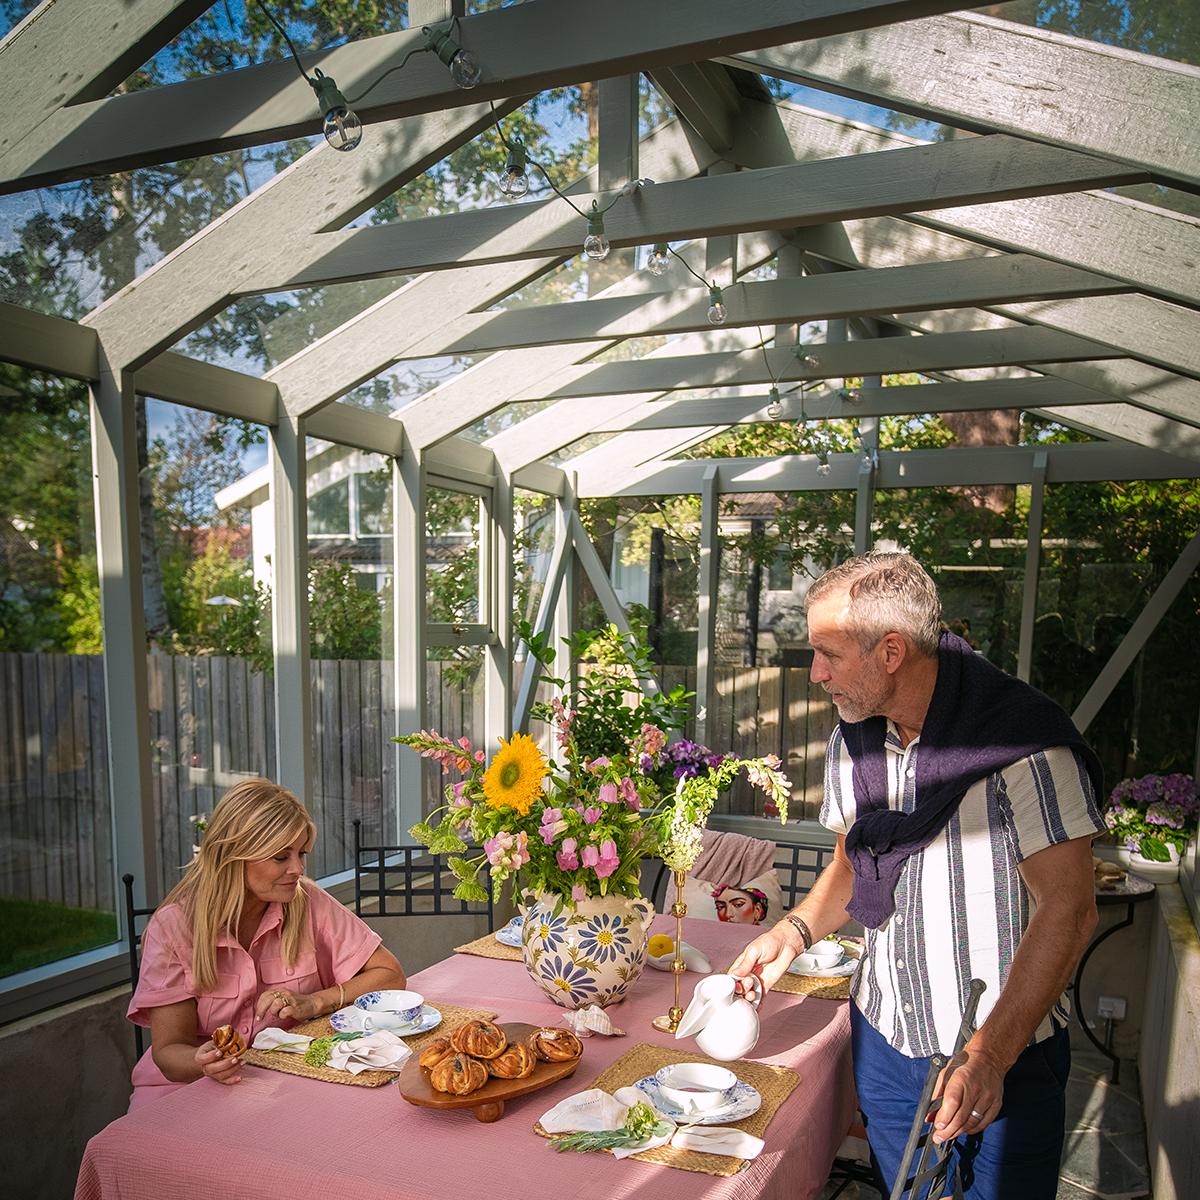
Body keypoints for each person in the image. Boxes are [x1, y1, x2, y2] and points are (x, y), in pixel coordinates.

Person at [729, 552, 1106, 1200]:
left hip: (1002, 1059)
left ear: (892, 652)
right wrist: (792, 933)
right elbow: (852, 865)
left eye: (829, 654)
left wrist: (990, 1054)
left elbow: (1070, 910)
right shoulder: (855, 739)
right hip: (887, 1040)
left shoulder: (1024, 745)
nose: (815, 674)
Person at [127, 778, 406, 1110]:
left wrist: (315, 1002)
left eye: (301, 853)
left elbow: (390, 975)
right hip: (185, 1091)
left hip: (292, 1081)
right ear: (233, 856)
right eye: (281, 857)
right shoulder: (172, 929)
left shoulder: (308, 901)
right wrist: (203, 1061)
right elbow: (170, 1052)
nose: (298, 868)